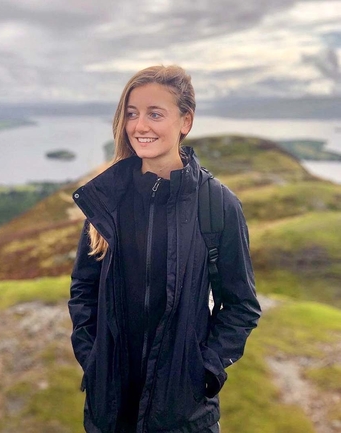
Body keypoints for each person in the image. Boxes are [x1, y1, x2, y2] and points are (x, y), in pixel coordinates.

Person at [68, 65, 261, 433]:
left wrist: (205, 371)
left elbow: (241, 306)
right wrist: (93, 359)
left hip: (182, 414)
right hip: (110, 409)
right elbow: (83, 289)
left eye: (155, 114)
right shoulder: (107, 199)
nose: (140, 126)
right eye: (132, 114)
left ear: (185, 121)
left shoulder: (217, 205)